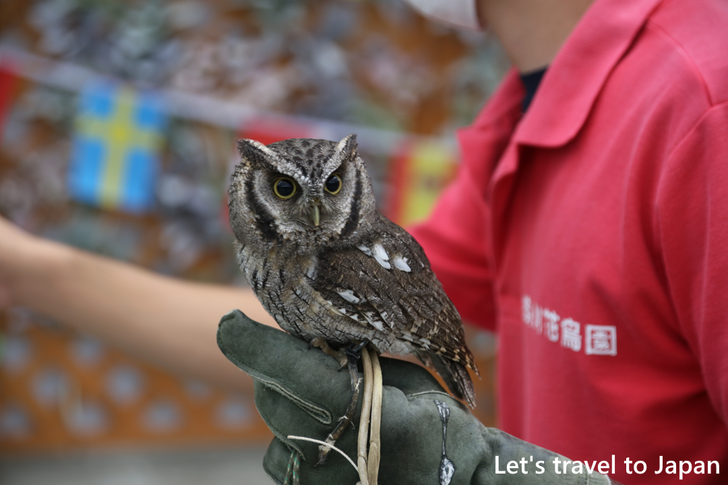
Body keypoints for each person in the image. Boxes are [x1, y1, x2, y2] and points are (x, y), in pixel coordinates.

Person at [2, 0, 727, 483]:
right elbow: (284, 331)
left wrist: (484, 471)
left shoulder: (705, 104)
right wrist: (28, 268)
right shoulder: (524, 119)